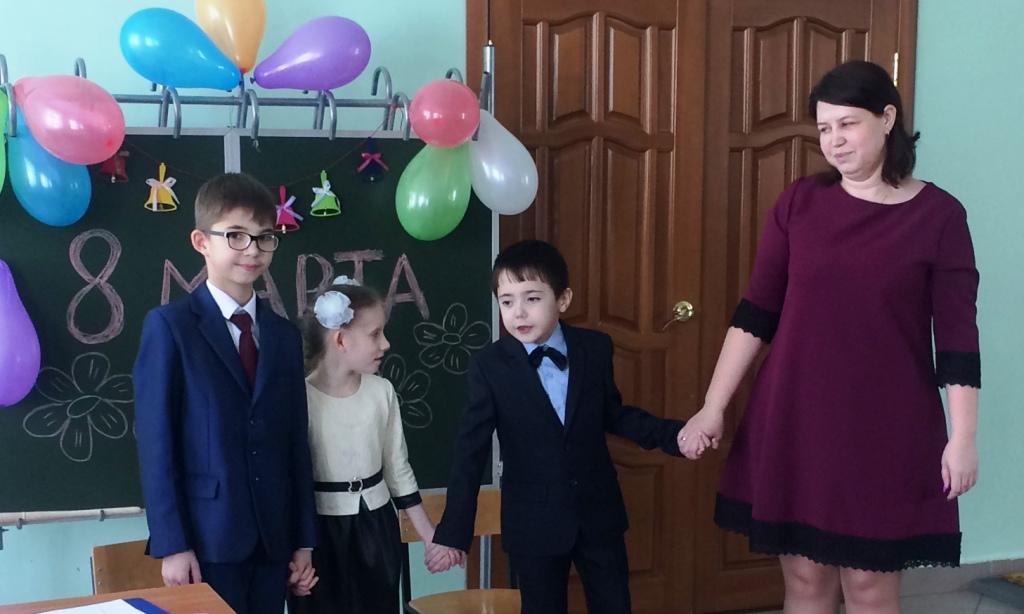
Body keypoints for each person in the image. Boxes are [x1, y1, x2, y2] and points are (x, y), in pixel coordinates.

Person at [679, 60, 981, 613]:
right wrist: (712, 407)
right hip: (796, 417)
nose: (834, 141)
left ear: (887, 118)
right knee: (804, 581)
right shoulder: (800, 203)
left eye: (847, 124)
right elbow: (755, 314)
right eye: (823, 128)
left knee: (868, 585)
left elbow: (959, 339)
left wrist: (962, 438)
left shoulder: (939, 216)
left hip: (889, 426)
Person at [429, 239, 687, 614]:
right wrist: (454, 532)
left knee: (614, 605)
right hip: (533, 522)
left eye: (532, 298)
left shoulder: (595, 348)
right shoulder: (489, 366)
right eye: (506, 301)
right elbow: (471, 452)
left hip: (598, 514)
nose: (519, 312)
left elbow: (613, 414)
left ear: (563, 299)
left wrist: (674, 435)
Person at [134, 173, 317, 613]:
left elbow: (296, 442)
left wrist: (303, 540)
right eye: (236, 235)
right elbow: (157, 446)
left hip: (274, 540)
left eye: (264, 237)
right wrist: (172, 544)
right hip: (206, 542)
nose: (252, 249)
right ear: (202, 241)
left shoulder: (283, 335)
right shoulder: (171, 328)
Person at [287, 277, 447, 613]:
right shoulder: (299, 399)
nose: (385, 343)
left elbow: (398, 469)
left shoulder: (381, 392)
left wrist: (429, 536)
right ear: (340, 339)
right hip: (319, 533)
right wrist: (296, 553)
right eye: (375, 334)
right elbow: (289, 482)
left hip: (375, 526)